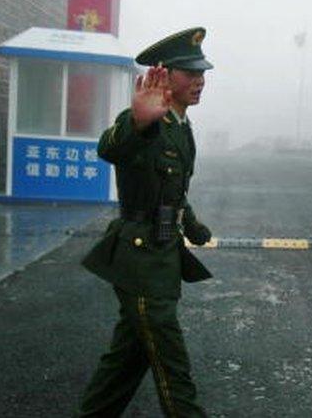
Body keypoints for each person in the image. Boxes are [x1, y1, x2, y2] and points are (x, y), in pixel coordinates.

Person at [76, 27, 215, 417]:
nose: (200, 80)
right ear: (164, 75)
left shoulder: (182, 128)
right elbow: (111, 147)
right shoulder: (146, 122)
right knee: (172, 365)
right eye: (190, 73)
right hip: (140, 262)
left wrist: (193, 225)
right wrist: (138, 122)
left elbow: (172, 191)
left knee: (126, 362)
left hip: (163, 259)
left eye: (202, 73)